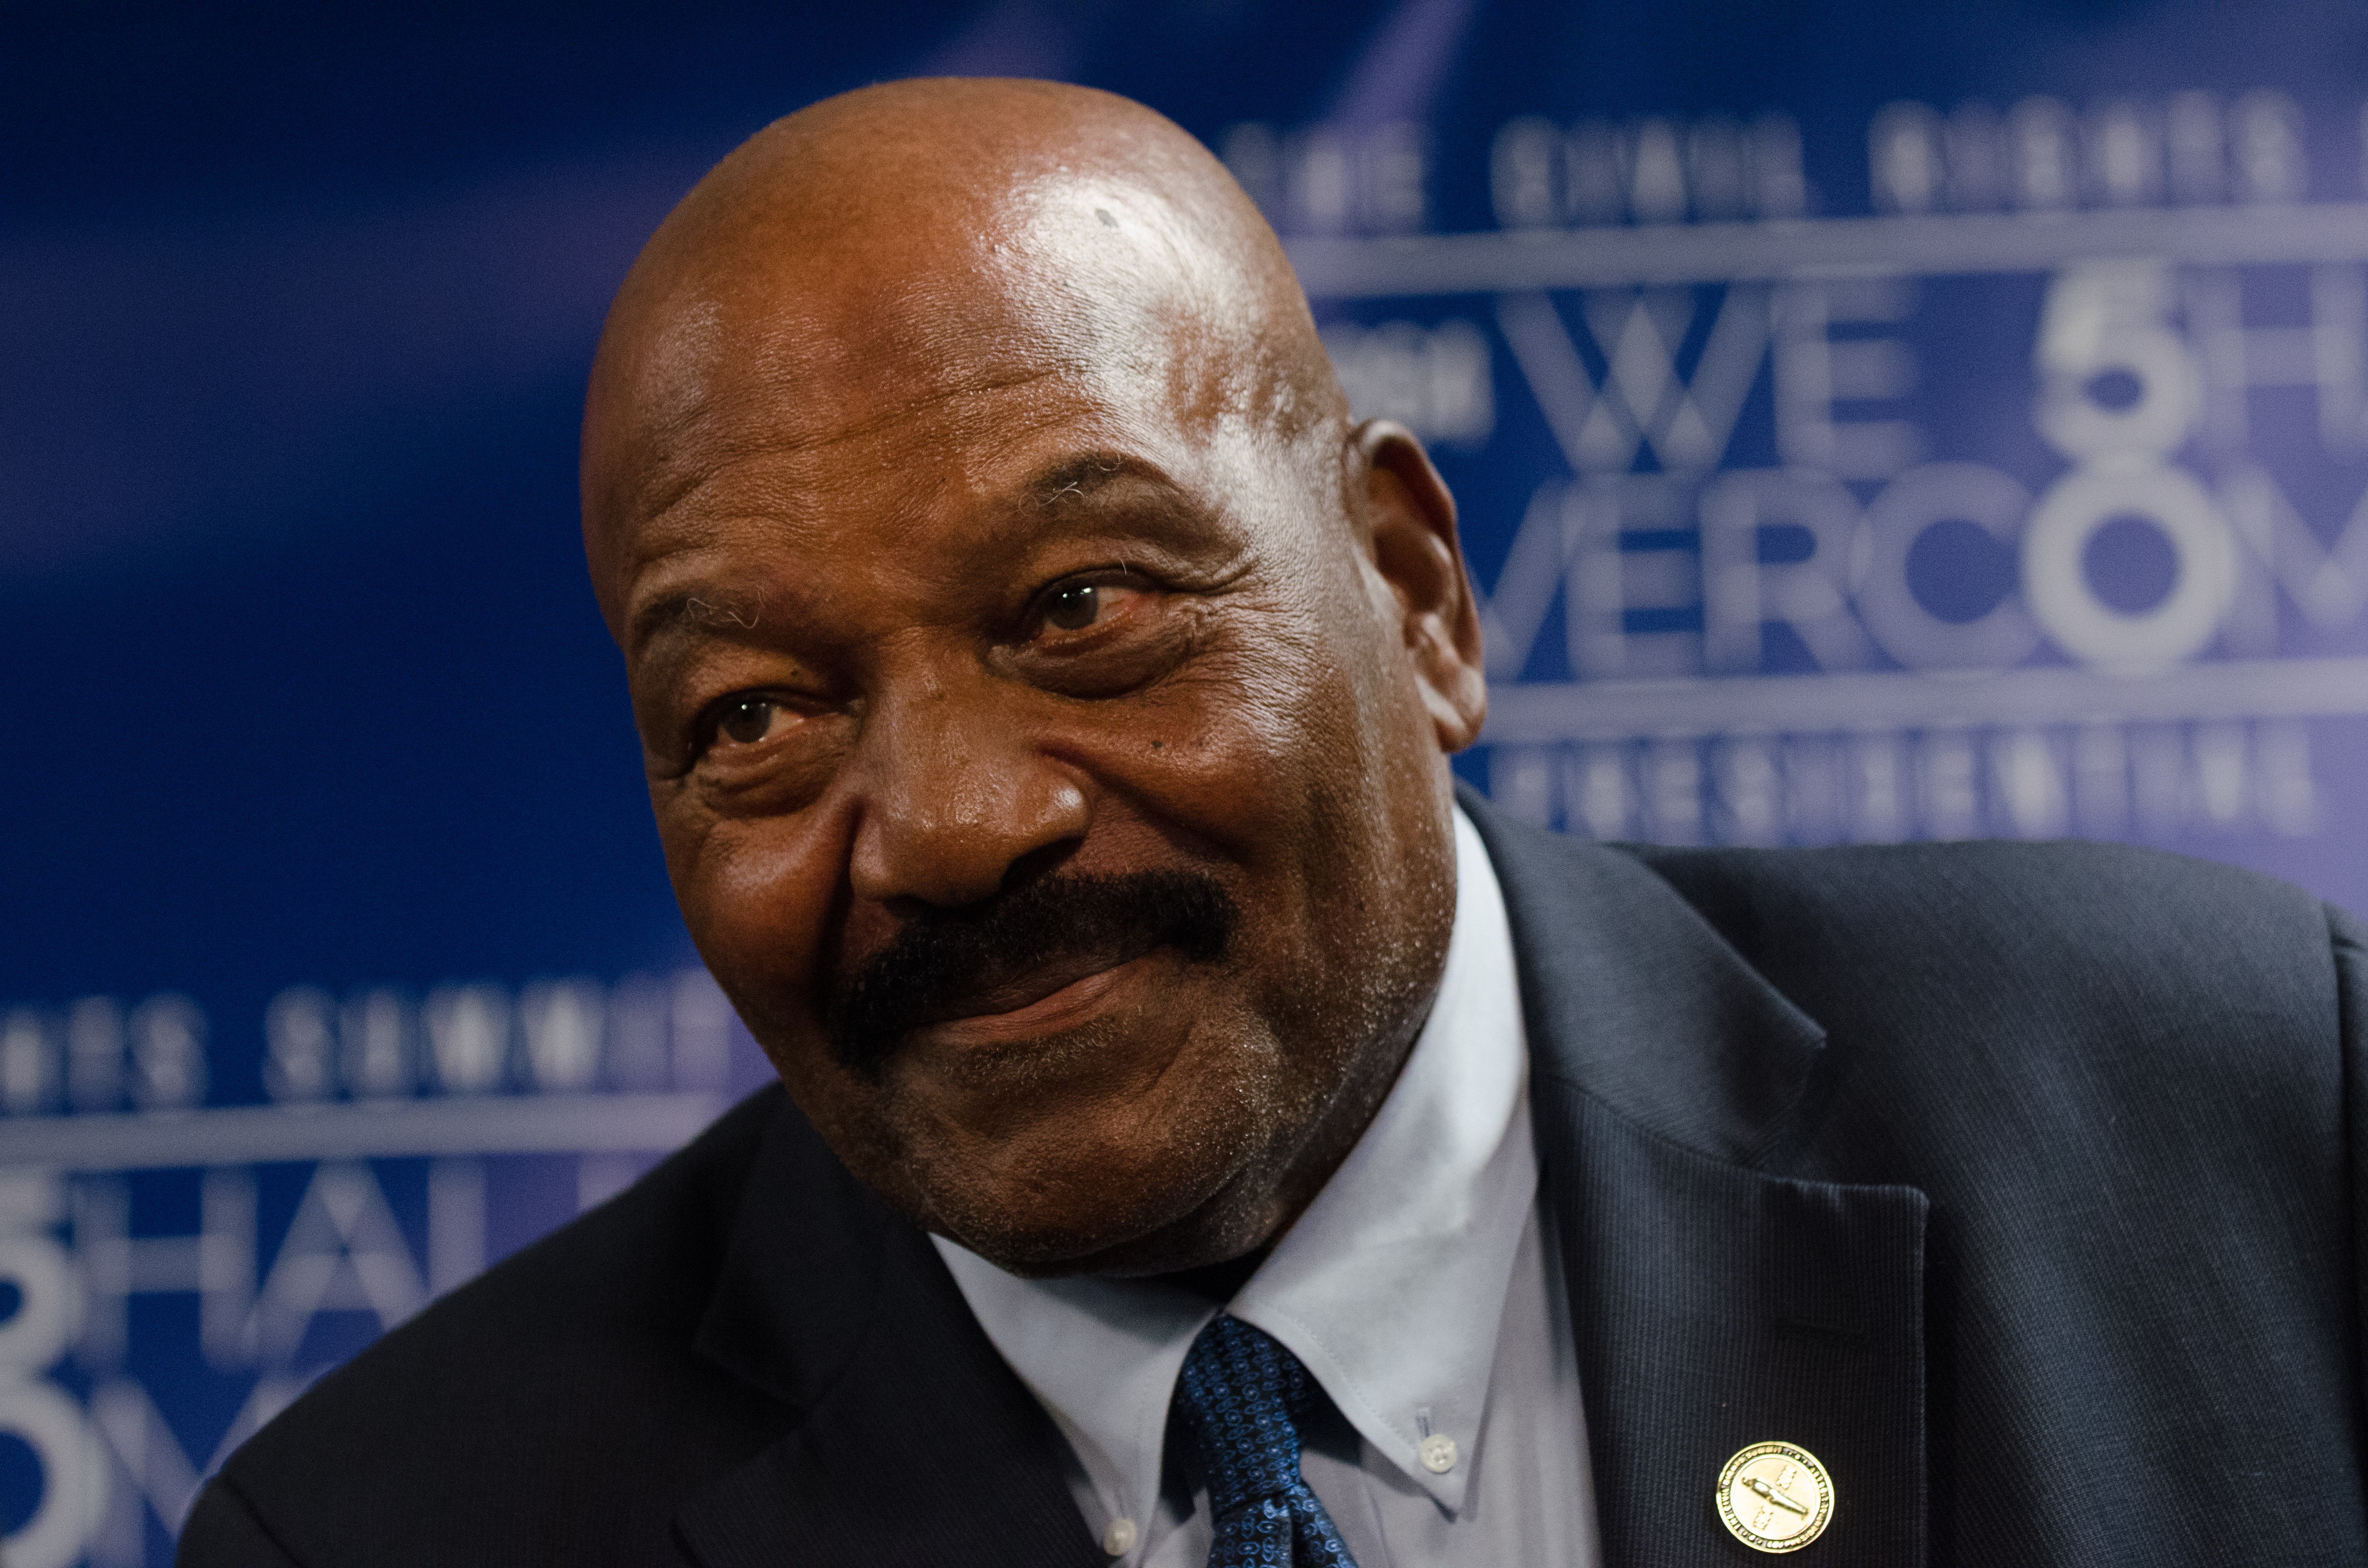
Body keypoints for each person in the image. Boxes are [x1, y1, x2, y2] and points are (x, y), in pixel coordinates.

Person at [180, 78, 2368, 1568]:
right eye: (754, 712)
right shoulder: (399, 1529)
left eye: (1081, 607)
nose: (946, 830)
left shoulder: (2244, 1107)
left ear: (1410, 593)